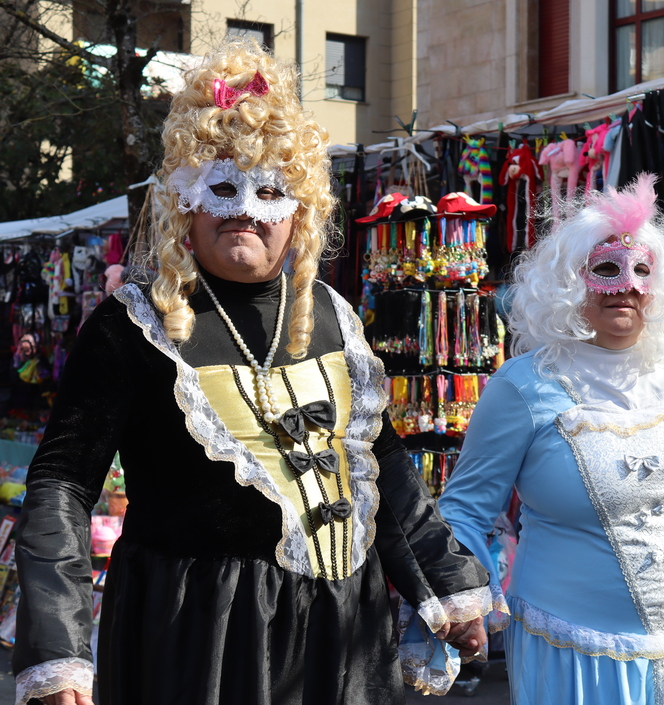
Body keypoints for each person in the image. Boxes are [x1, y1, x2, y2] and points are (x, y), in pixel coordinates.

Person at [13, 39, 490, 705]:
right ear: (186, 201)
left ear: (299, 211)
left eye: (269, 190)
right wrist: (59, 646)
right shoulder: (133, 324)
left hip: (344, 636)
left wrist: (447, 585)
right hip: (199, 634)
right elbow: (62, 484)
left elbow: (379, 463)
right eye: (222, 186)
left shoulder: (333, 315)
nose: (245, 209)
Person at [437, 175, 664, 705]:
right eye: (606, 270)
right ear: (568, 282)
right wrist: (463, 602)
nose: (626, 286)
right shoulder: (523, 385)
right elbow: (466, 510)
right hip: (575, 659)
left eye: (642, 271)